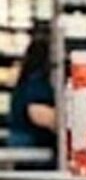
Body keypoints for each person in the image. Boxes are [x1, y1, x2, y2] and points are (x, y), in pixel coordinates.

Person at [5, 23, 56, 161]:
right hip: (32, 150)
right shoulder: (37, 82)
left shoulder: (27, 79)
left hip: (23, 145)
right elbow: (39, 114)